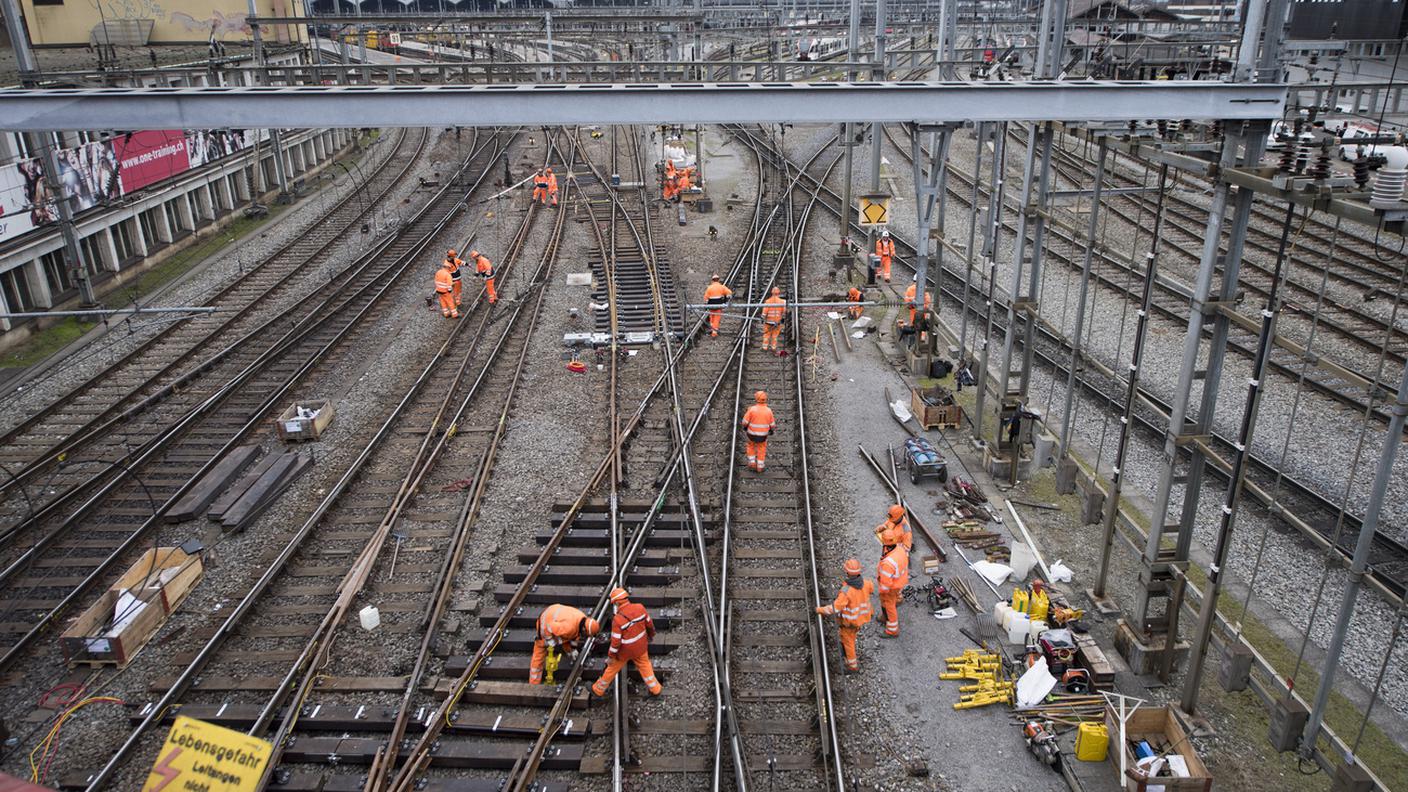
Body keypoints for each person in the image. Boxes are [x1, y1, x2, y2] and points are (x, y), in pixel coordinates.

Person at [592, 587, 662, 696]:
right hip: (640, 647)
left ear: (616, 603)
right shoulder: (640, 607)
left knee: (611, 668)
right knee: (645, 667)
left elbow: (615, 642)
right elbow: (650, 624)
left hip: (624, 652)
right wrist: (651, 635)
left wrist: (611, 656)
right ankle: (656, 689)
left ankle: (598, 690)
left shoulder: (618, 620)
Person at [815, 558, 874, 672]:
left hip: (849, 623)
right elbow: (871, 588)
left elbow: (834, 608)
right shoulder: (866, 583)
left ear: (847, 572)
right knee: (850, 638)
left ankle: (852, 666)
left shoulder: (847, 591)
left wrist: (819, 610)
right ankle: (848, 658)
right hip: (860, 619)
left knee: (848, 642)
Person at [529, 603, 600, 685]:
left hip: (554, 613)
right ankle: (533, 683)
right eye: (586, 634)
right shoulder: (569, 628)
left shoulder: (581, 619)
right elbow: (549, 627)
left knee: (568, 635)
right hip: (545, 622)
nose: (585, 636)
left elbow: (570, 636)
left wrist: (570, 650)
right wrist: (549, 639)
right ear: (584, 629)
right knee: (539, 652)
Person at [877, 543, 909, 638]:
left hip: (891, 588)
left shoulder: (888, 563)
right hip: (898, 582)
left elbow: (886, 584)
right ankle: (884, 617)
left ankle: (892, 630)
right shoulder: (899, 549)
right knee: (885, 602)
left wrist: (882, 591)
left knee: (889, 606)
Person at [741, 390, 775, 472]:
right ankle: (760, 466)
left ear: (756, 399)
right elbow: (772, 425)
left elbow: (744, 422)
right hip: (763, 436)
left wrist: (745, 427)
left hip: (751, 434)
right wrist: (771, 430)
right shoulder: (769, 411)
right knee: (761, 448)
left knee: (751, 446)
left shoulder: (752, 409)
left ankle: (752, 463)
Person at [760, 286, 786, 353]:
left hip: (768, 322)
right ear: (779, 293)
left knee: (766, 335)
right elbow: (784, 312)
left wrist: (762, 318)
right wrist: (782, 319)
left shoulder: (767, 301)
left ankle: (764, 348)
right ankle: (773, 348)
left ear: (771, 293)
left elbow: (764, 313)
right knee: (775, 336)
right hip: (777, 323)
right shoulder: (782, 302)